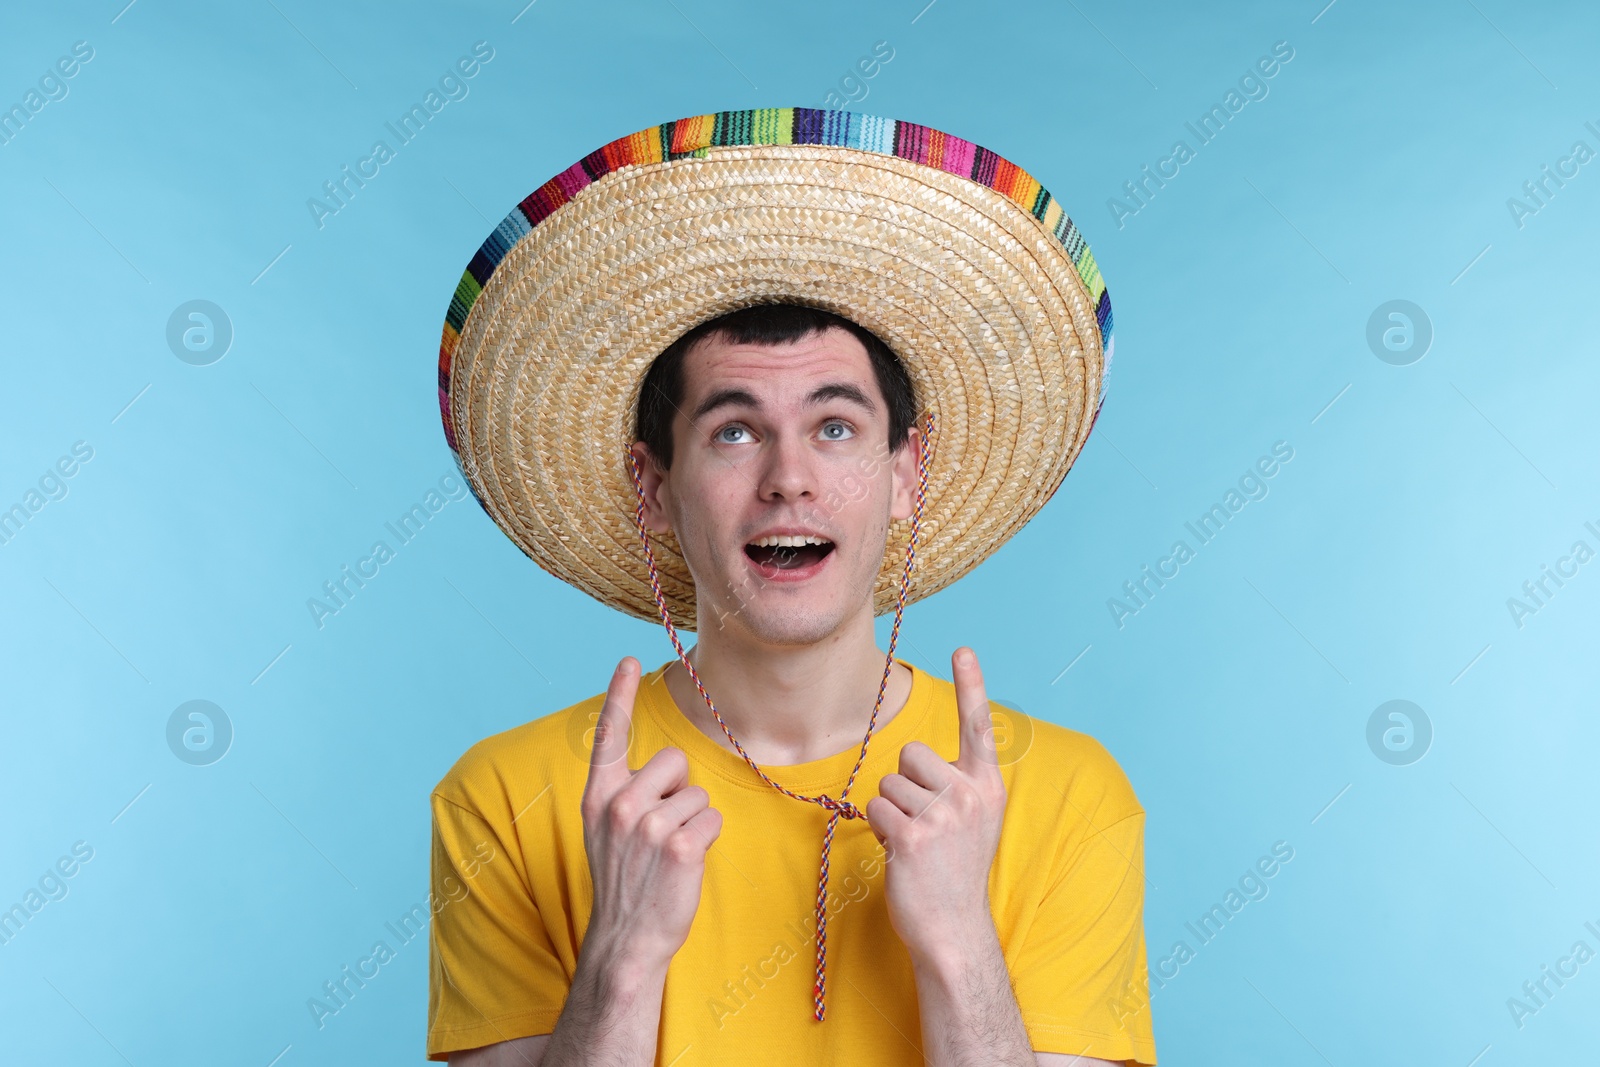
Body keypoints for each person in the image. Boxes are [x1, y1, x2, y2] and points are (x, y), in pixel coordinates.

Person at [425, 107, 1155, 1066]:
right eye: (734, 430)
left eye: (837, 426)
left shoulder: (1066, 795)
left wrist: (958, 942)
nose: (789, 477)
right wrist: (625, 953)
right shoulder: (505, 799)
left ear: (908, 475)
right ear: (654, 485)